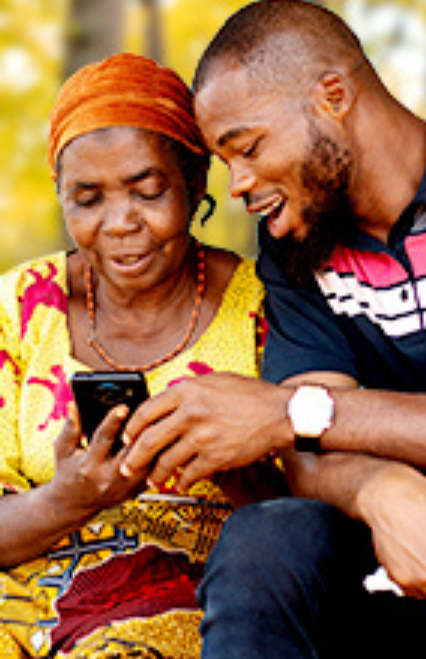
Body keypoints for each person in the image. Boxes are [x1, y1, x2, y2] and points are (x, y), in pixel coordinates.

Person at [115, 0, 426, 657]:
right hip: (402, 569)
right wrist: (387, 491)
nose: (237, 184)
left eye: (249, 147)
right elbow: (309, 454)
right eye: (225, 160)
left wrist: (294, 410)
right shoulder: (296, 248)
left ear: (333, 97)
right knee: (266, 540)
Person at [0, 54, 274, 659]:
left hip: (185, 608)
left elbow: (305, 529)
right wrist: (68, 499)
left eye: (149, 192)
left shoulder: (266, 309)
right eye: (88, 200)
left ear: (196, 183)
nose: (121, 223)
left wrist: (226, 460)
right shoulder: (17, 308)